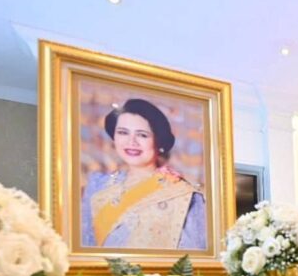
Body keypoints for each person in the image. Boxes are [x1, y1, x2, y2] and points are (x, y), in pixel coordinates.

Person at [81, 98, 207, 250]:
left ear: (158, 140)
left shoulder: (184, 194)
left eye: (142, 135)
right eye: (123, 132)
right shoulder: (98, 186)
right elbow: (86, 246)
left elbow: (192, 256)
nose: (131, 142)